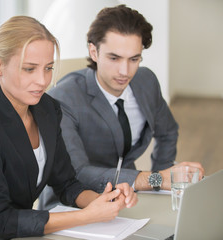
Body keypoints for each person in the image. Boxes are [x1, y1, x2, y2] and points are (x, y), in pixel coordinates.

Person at [0, 15, 137, 239]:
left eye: (48, 68)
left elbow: (67, 184)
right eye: (29, 69)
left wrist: (104, 201)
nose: (42, 81)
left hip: (24, 232)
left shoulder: (46, 109)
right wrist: (86, 216)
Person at [38, 4, 205, 210]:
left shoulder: (146, 81)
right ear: (94, 51)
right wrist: (155, 179)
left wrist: (163, 183)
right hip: (71, 205)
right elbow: (78, 173)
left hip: (128, 197)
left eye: (134, 59)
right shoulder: (63, 98)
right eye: (114, 58)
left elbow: (168, 131)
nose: (124, 71)